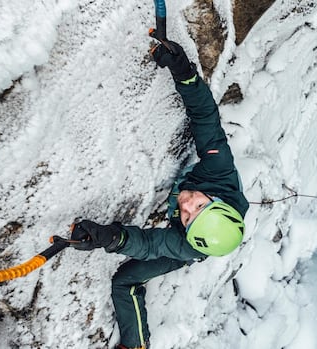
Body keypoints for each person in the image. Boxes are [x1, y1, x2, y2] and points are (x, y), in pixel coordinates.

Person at [68, 41, 249, 349]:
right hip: (213, 215)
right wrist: (185, 73)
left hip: (189, 247)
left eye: (188, 217)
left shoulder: (186, 244)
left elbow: (152, 245)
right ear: (216, 199)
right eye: (201, 204)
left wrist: (110, 237)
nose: (188, 203)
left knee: (125, 282)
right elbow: (205, 120)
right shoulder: (220, 171)